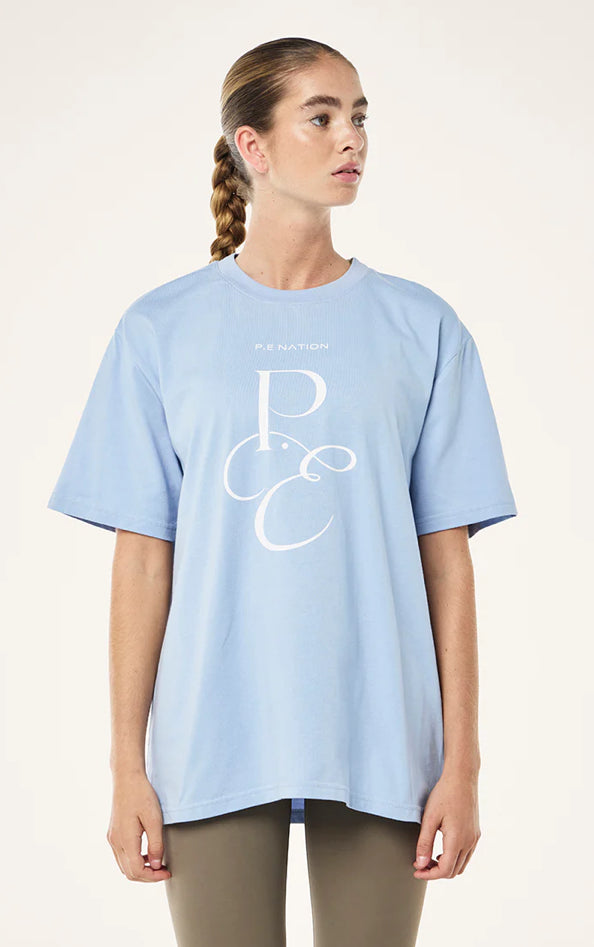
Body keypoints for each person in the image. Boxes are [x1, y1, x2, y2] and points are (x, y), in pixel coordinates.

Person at [47, 36, 518, 947]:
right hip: (210, 735)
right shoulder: (160, 330)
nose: (353, 138)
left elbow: (447, 564)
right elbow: (143, 560)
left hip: (383, 734)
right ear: (251, 146)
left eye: (360, 117)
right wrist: (125, 765)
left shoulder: (421, 327)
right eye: (323, 116)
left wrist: (462, 764)